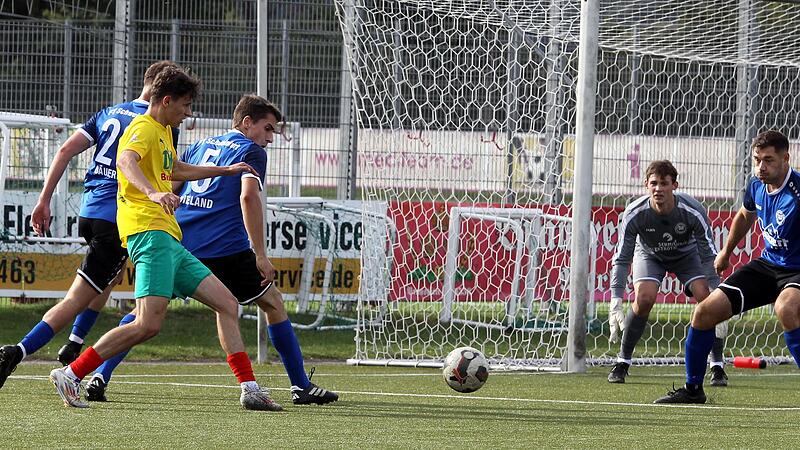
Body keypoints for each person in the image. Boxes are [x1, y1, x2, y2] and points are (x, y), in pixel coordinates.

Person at [49, 65, 281, 411]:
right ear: (167, 100)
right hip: (149, 233)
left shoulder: (162, 132)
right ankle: (71, 373)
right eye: (185, 106)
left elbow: (174, 170)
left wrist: (226, 170)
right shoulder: (143, 127)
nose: (188, 114)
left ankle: (249, 388)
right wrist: (152, 192)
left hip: (169, 238)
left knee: (227, 303)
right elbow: (126, 161)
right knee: (147, 323)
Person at [83, 94, 338, 406]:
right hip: (225, 248)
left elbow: (172, 186)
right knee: (272, 302)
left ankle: (100, 375)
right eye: (268, 128)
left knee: (144, 314)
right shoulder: (251, 151)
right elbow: (248, 197)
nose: (270, 138)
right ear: (247, 123)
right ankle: (300, 385)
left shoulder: (200, 145)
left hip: (182, 242)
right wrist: (260, 254)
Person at [0, 61, 178, 388]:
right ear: (164, 93)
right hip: (121, 217)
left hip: (90, 212)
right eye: (184, 101)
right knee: (81, 296)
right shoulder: (159, 122)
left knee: (104, 278)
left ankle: (74, 343)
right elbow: (165, 173)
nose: (185, 110)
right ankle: (20, 351)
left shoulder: (108, 112)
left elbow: (66, 149)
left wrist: (44, 199)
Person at [655, 130, 800, 404]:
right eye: (757, 160)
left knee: (786, 309)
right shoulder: (756, 186)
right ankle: (693, 389)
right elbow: (745, 216)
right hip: (768, 265)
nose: (761, 167)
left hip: (797, 270)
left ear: (786, 159)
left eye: (768, 160)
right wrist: (726, 252)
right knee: (704, 312)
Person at [606, 160, 730, 385]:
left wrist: (716, 291)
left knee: (706, 298)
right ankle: (622, 361)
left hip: (687, 256)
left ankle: (717, 365)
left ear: (675, 185)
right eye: (654, 183)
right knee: (644, 299)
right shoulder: (634, 213)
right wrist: (616, 299)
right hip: (650, 255)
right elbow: (622, 258)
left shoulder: (693, 211)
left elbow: (708, 256)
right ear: (646, 184)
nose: (658, 189)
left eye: (664, 183)